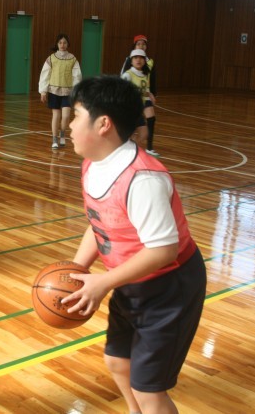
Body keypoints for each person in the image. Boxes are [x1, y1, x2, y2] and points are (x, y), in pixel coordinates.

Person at [61, 75, 206, 414]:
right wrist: (77, 269)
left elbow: (163, 251)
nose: (69, 125)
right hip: (130, 280)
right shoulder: (93, 164)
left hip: (169, 288)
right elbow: (99, 224)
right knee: (118, 362)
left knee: (149, 390)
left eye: (77, 116)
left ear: (103, 124)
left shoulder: (142, 178)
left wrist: (103, 283)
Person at [39, 33, 82, 149]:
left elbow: (77, 76)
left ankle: (62, 133)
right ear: (57, 44)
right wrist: (43, 91)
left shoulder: (72, 59)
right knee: (56, 115)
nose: (62, 45)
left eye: (65, 43)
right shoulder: (51, 58)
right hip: (54, 91)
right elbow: (45, 75)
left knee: (66, 116)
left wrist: (76, 91)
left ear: (68, 44)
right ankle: (54, 139)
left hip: (68, 92)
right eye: (60, 43)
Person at [121, 35, 158, 156]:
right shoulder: (128, 73)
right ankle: (124, 151)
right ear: (131, 60)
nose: (138, 60)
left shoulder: (145, 71)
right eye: (136, 58)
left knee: (144, 132)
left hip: (140, 105)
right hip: (129, 109)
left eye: (141, 58)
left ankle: (134, 149)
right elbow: (120, 89)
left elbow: (147, 85)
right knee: (129, 133)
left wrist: (151, 94)